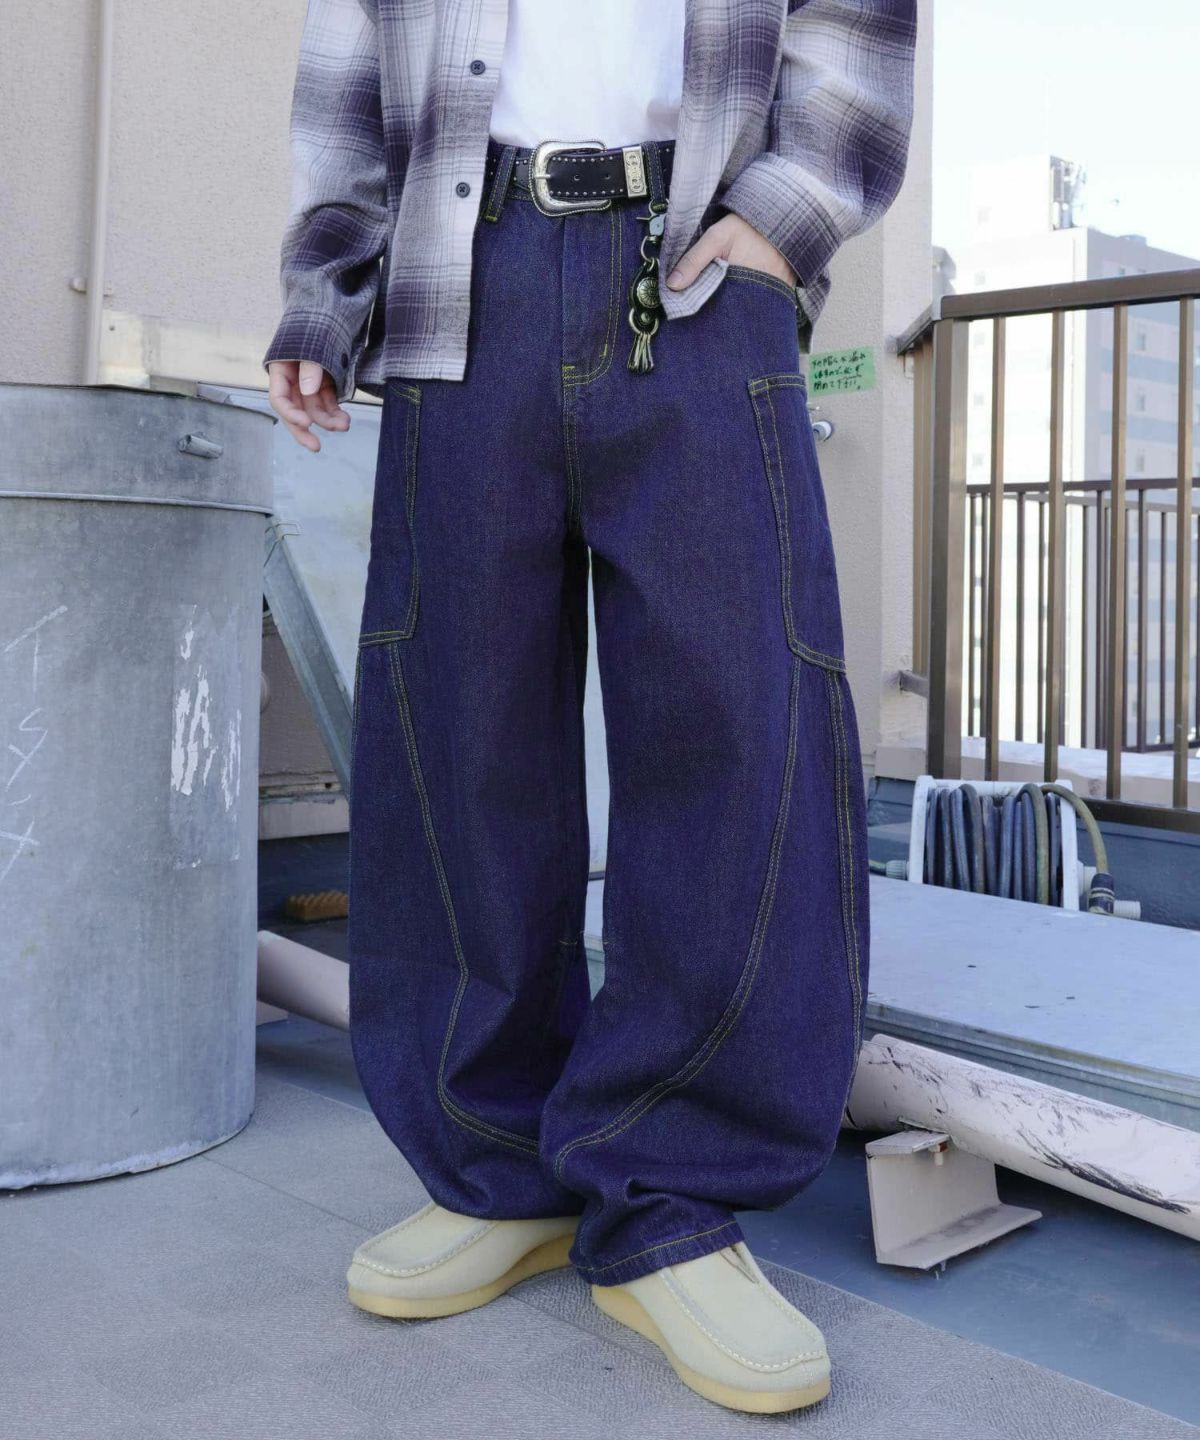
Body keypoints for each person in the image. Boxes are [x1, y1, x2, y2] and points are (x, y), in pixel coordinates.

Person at [264, 0, 916, 1415]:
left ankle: (671, 1191)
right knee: (458, 729)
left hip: (698, 262)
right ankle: (496, 1169)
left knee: (734, 725)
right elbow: (352, 54)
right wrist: (328, 284)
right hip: (458, 271)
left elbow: (855, 23)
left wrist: (781, 220)